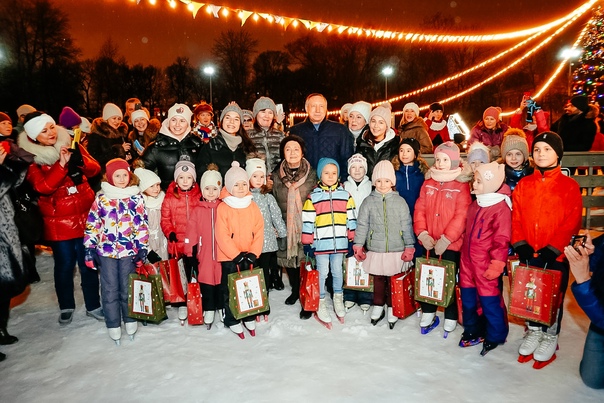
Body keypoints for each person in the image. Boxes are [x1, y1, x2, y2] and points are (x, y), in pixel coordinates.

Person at [18, 112, 103, 325]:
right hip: (59, 222)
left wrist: (80, 161)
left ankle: (94, 304)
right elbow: (42, 187)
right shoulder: (30, 158)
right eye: (44, 131)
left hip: (85, 216)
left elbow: (95, 169)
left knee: (88, 264)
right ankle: (66, 305)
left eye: (51, 127)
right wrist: (62, 165)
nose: (51, 133)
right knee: (64, 265)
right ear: (33, 136)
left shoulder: (70, 142)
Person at [512, 131, 582, 368]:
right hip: (529, 251)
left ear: (558, 154)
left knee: (552, 297)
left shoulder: (569, 186)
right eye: (537, 149)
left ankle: (550, 335)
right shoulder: (524, 184)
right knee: (530, 294)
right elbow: (517, 217)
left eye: (547, 149)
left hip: (554, 254)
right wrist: (520, 243)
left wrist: (554, 248)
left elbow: (571, 220)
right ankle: (532, 330)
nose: (541, 154)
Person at [84, 158, 149, 345]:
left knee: (127, 287)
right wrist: (89, 247)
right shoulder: (102, 199)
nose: (121, 179)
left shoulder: (136, 198)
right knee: (110, 288)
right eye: (117, 176)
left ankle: (130, 320)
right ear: (110, 177)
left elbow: (141, 225)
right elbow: (93, 223)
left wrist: (142, 247)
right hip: (107, 252)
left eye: (124, 175)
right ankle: (113, 324)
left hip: (129, 250)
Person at [414, 141, 472, 335]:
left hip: (450, 244)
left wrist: (447, 239)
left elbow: (462, 215)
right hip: (429, 241)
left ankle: (451, 314)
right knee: (429, 278)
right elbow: (420, 209)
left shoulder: (460, 184)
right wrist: (422, 233)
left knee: (448, 279)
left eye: (445, 160)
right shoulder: (428, 182)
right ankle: (429, 310)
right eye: (438, 159)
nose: (440, 163)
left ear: (454, 162)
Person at [353, 160, 415, 329]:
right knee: (379, 280)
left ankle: (392, 307)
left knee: (393, 280)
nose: (382, 184)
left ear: (392, 182)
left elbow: (406, 225)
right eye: (379, 181)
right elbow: (362, 225)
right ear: (374, 182)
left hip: (396, 249)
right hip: (376, 248)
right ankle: (378, 305)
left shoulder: (400, 202)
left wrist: (409, 245)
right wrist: (358, 244)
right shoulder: (368, 202)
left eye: (386, 181)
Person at [459, 162, 511, 355]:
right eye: (474, 180)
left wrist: (497, 263)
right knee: (469, 299)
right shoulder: (475, 204)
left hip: (485, 264)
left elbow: (502, 239)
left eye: (479, 182)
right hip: (467, 262)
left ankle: (496, 334)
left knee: (489, 300)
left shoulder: (500, 208)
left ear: (490, 184)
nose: (474, 185)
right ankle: (473, 329)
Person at [302, 158, 356, 326]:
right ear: (320, 175)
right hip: (321, 244)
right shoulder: (313, 197)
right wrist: (307, 242)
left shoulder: (345, 195)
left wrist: (351, 239)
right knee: (323, 273)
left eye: (334, 173)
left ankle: (338, 298)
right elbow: (308, 221)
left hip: (339, 243)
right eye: (326, 173)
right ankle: (321, 301)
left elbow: (351, 218)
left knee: (338, 272)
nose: (331, 176)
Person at [271, 136, 318, 319]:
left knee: (305, 261)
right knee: (289, 261)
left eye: (296, 149)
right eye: (288, 149)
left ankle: (307, 297)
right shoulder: (275, 176)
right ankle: (295, 290)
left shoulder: (312, 174)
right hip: (285, 226)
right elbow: (272, 201)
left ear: (302, 152)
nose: (292, 153)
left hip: (306, 225)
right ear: (283, 152)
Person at [216, 162, 264, 338]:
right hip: (230, 257)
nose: (241, 188)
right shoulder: (223, 207)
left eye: (244, 184)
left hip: (249, 255)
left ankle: (248, 314)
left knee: (249, 287)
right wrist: (234, 255)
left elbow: (259, 229)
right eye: (236, 184)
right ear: (229, 186)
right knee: (230, 289)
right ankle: (232, 318)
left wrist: (254, 252)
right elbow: (221, 234)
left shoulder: (252, 205)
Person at [0, 125, 34, 362]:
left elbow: (15, 183)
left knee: (4, 287)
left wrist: (15, 162)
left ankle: (1, 328)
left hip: (5, 230)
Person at [160, 156, 202, 323]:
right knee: (180, 274)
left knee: (195, 272)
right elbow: (165, 219)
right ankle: (182, 301)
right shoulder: (170, 197)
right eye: (181, 178)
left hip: (194, 244)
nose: (185, 181)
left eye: (189, 177)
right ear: (176, 179)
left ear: (194, 179)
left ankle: (196, 298)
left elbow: (202, 217)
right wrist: (169, 232)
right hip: (177, 244)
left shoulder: (198, 196)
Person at [184, 165, 224, 329]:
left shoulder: (224, 208)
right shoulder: (198, 210)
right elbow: (190, 232)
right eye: (207, 188)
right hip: (204, 254)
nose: (211, 192)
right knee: (206, 281)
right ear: (202, 189)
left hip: (222, 254)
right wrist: (190, 252)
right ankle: (208, 308)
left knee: (221, 281)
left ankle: (221, 307)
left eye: (214, 188)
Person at [246, 158, 287, 315]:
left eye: (261, 176)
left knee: (264, 273)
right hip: (249, 243)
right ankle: (253, 301)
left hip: (267, 242)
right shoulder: (245, 199)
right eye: (254, 176)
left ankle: (264, 301)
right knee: (253, 272)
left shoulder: (268, 197)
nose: (258, 180)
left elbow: (276, 216)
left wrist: (282, 233)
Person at [566, 233, 604, 389]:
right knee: (591, 379)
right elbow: (598, 262)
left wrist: (582, 279)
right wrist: (588, 254)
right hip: (600, 321)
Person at [289, 93, 354, 182]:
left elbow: (347, 159)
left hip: (332, 185)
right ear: (306, 108)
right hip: (304, 185)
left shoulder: (340, 130)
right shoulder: (296, 131)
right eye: (313, 106)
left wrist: (343, 182)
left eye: (321, 106)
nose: (317, 110)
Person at [141, 103, 203, 190]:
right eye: (174, 120)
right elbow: (142, 173)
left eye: (182, 121)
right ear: (168, 121)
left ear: (188, 123)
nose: (177, 125)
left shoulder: (198, 144)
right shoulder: (156, 147)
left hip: (193, 199)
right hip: (166, 198)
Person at [342, 153, 372, 313]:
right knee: (350, 263)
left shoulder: (371, 185)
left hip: (367, 232)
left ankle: (365, 296)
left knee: (365, 263)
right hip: (349, 231)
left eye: (361, 167)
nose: (357, 170)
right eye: (353, 167)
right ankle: (350, 294)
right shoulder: (344, 186)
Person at [198, 102, 256, 179]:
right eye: (228, 118)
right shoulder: (210, 147)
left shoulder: (248, 147)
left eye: (236, 119)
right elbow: (201, 176)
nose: (231, 122)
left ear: (240, 124)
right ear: (221, 121)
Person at [393, 137, 428, 258]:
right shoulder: (394, 172)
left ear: (416, 154)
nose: (404, 154)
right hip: (398, 217)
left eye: (408, 150)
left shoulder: (423, 174)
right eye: (401, 150)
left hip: (417, 217)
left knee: (416, 247)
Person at [88, 103, 131, 190]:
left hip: (120, 176)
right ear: (106, 119)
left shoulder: (121, 134)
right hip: (103, 176)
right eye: (114, 118)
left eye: (119, 118)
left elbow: (123, 154)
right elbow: (94, 158)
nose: (117, 121)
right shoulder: (96, 135)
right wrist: (118, 149)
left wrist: (126, 157)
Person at [355, 104, 399, 177]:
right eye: (373, 121)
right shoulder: (361, 143)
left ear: (386, 126)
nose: (376, 126)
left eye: (381, 122)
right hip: (365, 186)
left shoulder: (395, 145)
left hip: (385, 186)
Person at [134, 167, 167, 262]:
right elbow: (138, 229)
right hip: (148, 246)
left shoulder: (163, 199)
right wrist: (147, 250)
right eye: (151, 186)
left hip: (162, 243)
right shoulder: (140, 204)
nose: (156, 189)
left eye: (157, 185)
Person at [247, 97, 285, 173]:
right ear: (256, 114)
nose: (266, 116)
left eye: (270, 112)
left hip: (278, 180)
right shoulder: (247, 136)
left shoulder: (280, 136)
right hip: (257, 180)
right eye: (263, 112)